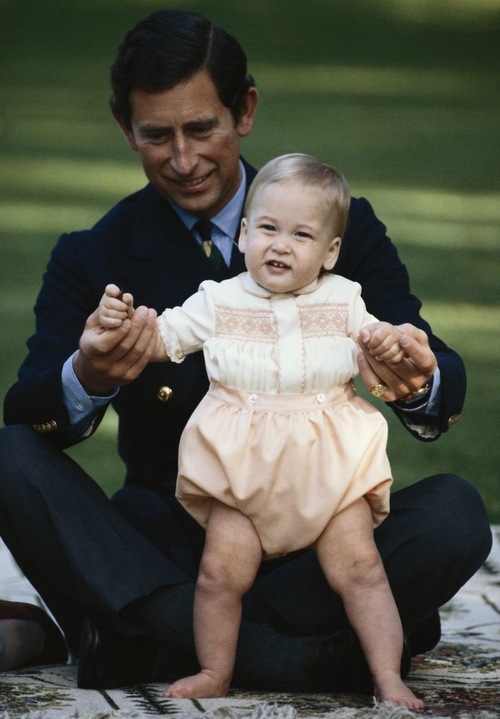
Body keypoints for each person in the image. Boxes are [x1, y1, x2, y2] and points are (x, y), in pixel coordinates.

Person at [0, 9, 491, 695]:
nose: (183, 159)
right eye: (156, 135)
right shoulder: (93, 254)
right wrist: (88, 374)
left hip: (321, 533)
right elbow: (28, 411)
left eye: (202, 128)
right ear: (124, 127)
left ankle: (144, 638)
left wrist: (419, 377)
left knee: (453, 514)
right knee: (10, 456)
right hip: (181, 536)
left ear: (246, 110)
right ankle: (303, 653)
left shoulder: (339, 222)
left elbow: (434, 366)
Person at [97, 153, 424, 708]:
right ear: (245, 232)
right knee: (219, 575)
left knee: (364, 571)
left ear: (330, 252)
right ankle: (215, 671)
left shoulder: (345, 300)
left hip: (330, 467)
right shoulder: (219, 301)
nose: (281, 245)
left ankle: (388, 676)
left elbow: (379, 345)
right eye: (268, 228)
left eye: (302, 235)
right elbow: (162, 338)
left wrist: (390, 344)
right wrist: (123, 324)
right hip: (241, 470)